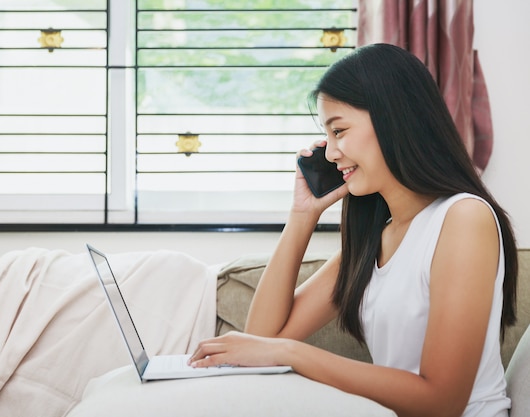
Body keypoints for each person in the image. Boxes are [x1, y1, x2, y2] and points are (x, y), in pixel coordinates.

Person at [188, 43, 518, 417]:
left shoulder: (463, 219)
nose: (330, 153)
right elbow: (261, 339)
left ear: (393, 119)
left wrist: (292, 354)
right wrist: (302, 215)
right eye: (326, 137)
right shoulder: (376, 239)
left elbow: (442, 401)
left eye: (339, 131)